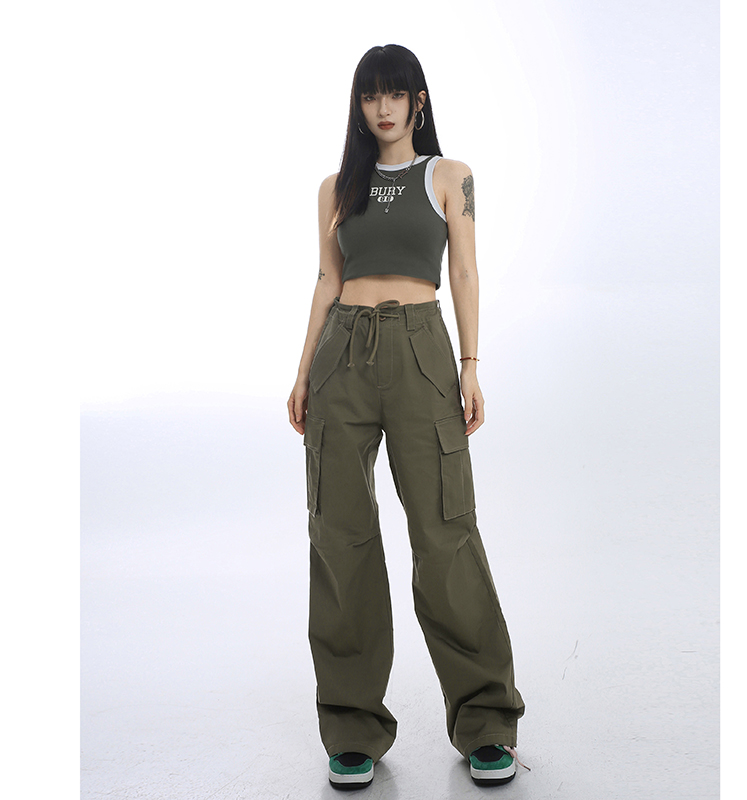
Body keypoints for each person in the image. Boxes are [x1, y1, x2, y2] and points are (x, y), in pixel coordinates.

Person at [287, 43, 527, 790]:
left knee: (445, 530)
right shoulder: (337, 187)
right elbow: (327, 280)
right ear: (358, 106)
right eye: (370, 96)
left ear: (419, 101)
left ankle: (486, 721)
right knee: (340, 536)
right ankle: (351, 728)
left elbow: (464, 270)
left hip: (422, 351)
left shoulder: (450, 176)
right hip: (342, 356)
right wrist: (302, 372)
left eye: (395, 94)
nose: (382, 108)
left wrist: (470, 365)